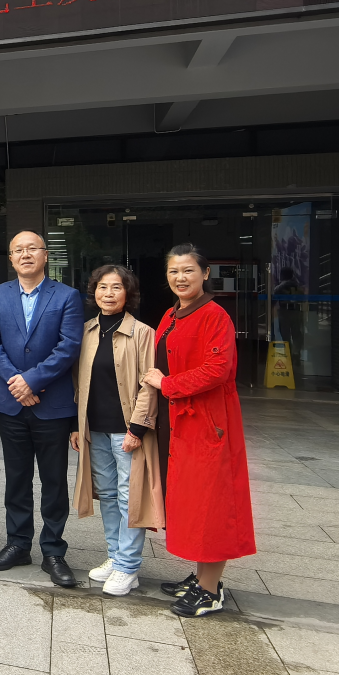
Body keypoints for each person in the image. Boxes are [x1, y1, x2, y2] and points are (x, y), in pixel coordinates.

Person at [142, 244, 255, 617]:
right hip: (178, 423)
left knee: (211, 506)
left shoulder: (214, 316)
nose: (180, 277)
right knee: (191, 503)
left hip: (208, 424)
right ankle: (201, 577)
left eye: (188, 270)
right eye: (174, 271)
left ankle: (210, 590)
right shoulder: (171, 314)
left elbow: (217, 369)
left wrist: (167, 384)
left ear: (205, 274)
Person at [0, 230, 83, 587]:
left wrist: (33, 381)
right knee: (17, 478)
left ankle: (53, 551)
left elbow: (69, 346)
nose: (25, 255)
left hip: (52, 404)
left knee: (54, 481)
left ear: (45, 255)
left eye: (32, 249)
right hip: (11, 403)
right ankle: (18, 544)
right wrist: (18, 383)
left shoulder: (67, 296)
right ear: (11, 258)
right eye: (18, 250)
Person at [69, 265, 163, 596]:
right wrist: (76, 426)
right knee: (108, 495)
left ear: (128, 293)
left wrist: (138, 427)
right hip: (94, 428)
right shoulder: (86, 330)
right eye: (102, 287)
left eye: (116, 287)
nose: (108, 293)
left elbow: (149, 384)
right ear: (93, 292)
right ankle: (115, 556)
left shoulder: (143, 333)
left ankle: (128, 566)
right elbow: (77, 382)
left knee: (129, 498)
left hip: (127, 431)